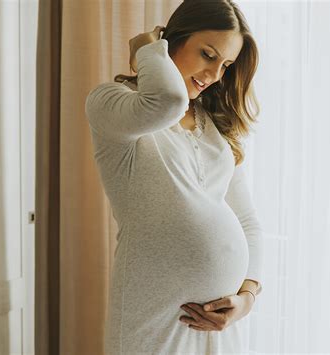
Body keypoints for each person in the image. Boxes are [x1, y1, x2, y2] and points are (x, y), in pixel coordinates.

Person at [85, 0, 263, 353]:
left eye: (225, 65)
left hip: (219, 327)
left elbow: (246, 221)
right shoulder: (111, 103)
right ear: (173, 39)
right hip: (154, 320)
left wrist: (247, 298)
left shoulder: (216, 128)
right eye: (207, 54)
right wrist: (146, 50)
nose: (214, 75)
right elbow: (166, 100)